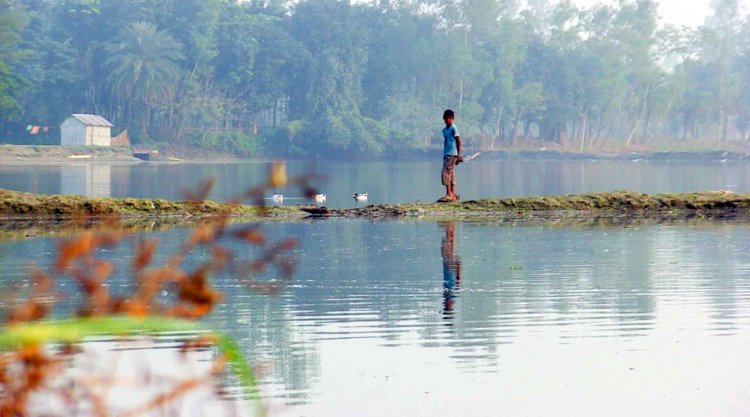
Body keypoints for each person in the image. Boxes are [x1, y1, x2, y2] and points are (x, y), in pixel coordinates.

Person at [439, 109, 462, 202]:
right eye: (445, 119)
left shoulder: (454, 128)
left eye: (448, 118)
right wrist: (445, 154)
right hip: (447, 154)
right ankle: (452, 194)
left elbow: (458, 141)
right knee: (451, 173)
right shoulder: (444, 130)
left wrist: (459, 155)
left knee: (445, 173)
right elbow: (446, 141)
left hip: (452, 154)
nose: (446, 120)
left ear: (452, 119)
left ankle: (449, 194)